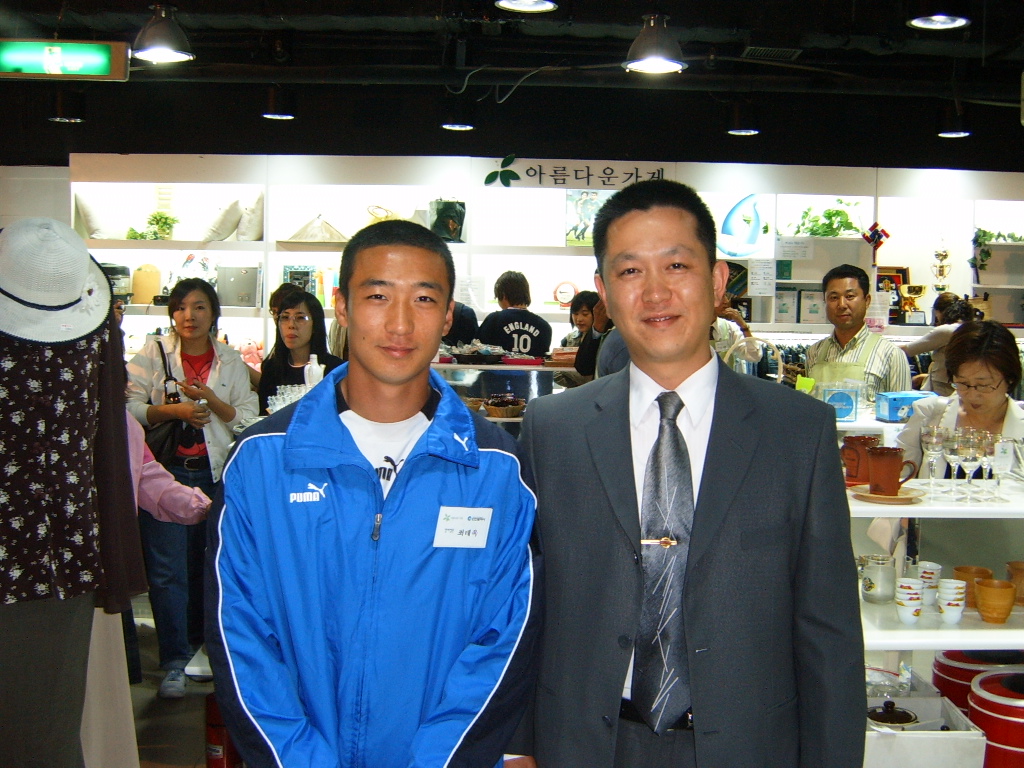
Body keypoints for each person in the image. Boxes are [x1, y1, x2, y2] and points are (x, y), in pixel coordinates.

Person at [509, 179, 864, 767]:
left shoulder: (797, 431)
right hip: (586, 743)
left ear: (718, 281)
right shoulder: (552, 429)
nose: (655, 292)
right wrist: (519, 747)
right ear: (604, 292)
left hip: (748, 748)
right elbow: (524, 605)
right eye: (630, 271)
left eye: (676, 265)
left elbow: (829, 631)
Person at [206, 219, 541, 767]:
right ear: (341, 306)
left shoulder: (497, 468)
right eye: (378, 295)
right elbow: (239, 634)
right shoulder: (263, 461)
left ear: (448, 315)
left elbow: (504, 640)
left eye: (424, 298)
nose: (400, 323)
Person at [0, 218, 146, 768]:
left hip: (57, 556)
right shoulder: (95, 339)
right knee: (47, 727)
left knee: (45, 726)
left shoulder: (97, 338)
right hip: (64, 550)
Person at [126, 277, 258, 699]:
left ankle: (206, 651)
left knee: (211, 568)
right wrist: (175, 411)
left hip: (214, 476)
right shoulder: (153, 353)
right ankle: (174, 661)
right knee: (167, 572)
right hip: (164, 475)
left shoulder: (230, 360)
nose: (189, 315)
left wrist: (210, 402)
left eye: (199, 307)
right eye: (181, 307)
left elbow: (246, 417)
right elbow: (129, 408)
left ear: (213, 313)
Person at [895, 320, 1024, 574]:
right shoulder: (930, 416)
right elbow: (900, 477)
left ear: (1009, 378)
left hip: (1009, 561)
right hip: (935, 559)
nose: (972, 394)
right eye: (962, 383)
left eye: (984, 384)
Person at [805, 263, 911, 402]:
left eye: (850, 296)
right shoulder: (814, 352)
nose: (842, 304)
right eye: (834, 298)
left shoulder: (891, 354)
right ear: (825, 301)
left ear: (867, 301)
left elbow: (902, 411)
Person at [257, 290, 343, 413]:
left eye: (300, 318)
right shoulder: (271, 368)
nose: (291, 325)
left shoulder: (335, 370)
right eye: (285, 317)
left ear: (315, 324)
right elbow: (263, 416)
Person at [899, 292, 979, 396]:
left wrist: (884, 347)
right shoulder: (971, 329)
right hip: (962, 385)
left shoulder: (946, 331)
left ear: (940, 312)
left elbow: (909, 349)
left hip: (942, 388)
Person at [478, 270, 552, 357]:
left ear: (503, 295)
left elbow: (478, 350)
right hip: (530, 366)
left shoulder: (493, 320)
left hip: (499, 366)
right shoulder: (544, 326)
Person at [710, 291, 762, 366]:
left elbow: (755, 356)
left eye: (725, 296)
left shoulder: (729, 328)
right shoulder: (693, 329)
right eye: (721, 297)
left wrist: (744, 326)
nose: (726, 301)